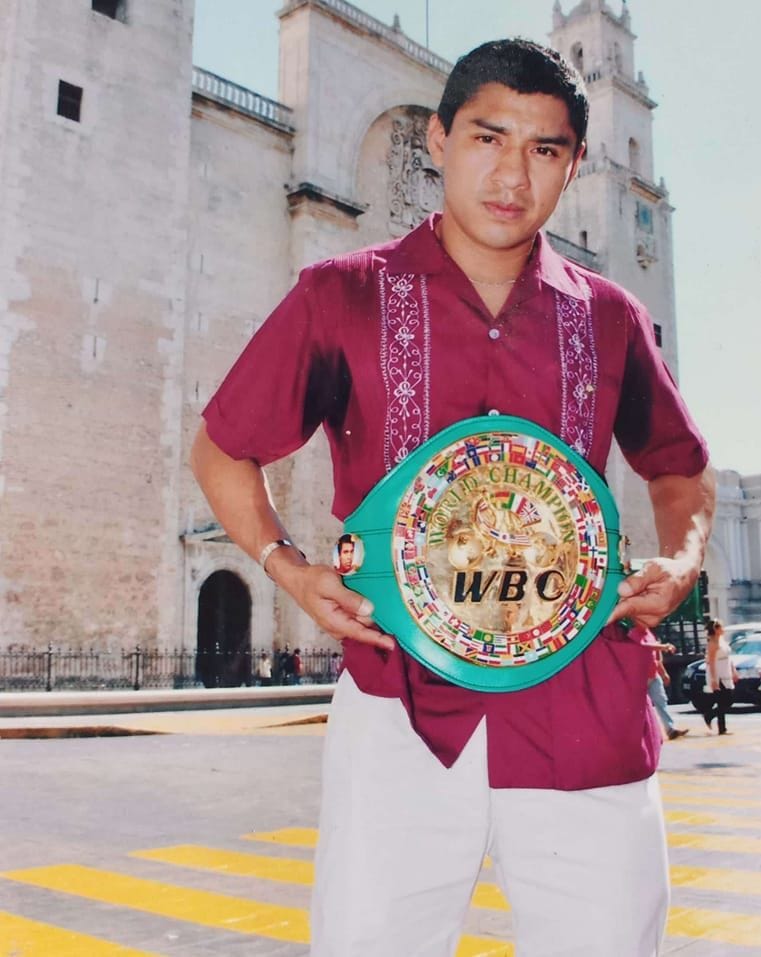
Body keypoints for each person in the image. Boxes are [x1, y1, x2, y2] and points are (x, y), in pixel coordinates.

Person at [191, 38, 715, 957]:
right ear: (438, 139)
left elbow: (680, 469)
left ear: (573, 167)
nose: (512, 174)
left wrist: (679, 560)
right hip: (397, 701)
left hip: (583, 703)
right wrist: (288, 566)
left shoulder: (611, 317)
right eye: (487, 137)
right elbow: (223, 448)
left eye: (545, 149)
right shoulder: (341, 295)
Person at [703, 617, 737, 735]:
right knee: (724, 700)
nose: (723, 629)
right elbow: (711, 662)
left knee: (728, 699)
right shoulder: (712, 643)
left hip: (726, 670)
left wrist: (733, 670)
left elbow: (728, 656)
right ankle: (721, 727)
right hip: (717, 673)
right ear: (716, 629)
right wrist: (714, 679)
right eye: (721, 627)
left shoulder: (722, 640)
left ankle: (711, 716)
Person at [649, 642, 688, 740]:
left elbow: (657, 660)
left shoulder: (652, 638)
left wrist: (663, 673)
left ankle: (670, 729)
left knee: (661, 702)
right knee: (639, 706)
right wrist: (664, 646)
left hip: (654, 675)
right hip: (639, 676)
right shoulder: (637, 637)